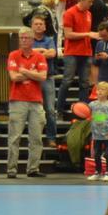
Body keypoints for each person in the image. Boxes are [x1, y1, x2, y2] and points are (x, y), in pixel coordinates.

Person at [6, 29, 48, 180]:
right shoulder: (13, 55)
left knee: (36, 137)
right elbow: (14, 77)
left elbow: (43, 76)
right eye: (21, 38)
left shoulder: (39, 56)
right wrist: (32, 73)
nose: (23, 40)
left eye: (26, 38)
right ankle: (11, 169)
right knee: (14, 137)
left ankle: (33, 168)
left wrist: (23, 71)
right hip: (18, 100)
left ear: (32, 40)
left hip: (36, 101)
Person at [57, 0, 98, 116]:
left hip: (86, 51)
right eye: (89, 1)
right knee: (67, 80)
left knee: (84, 82)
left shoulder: (89, 14)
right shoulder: (69, 13)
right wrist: (87, 34)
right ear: (82, 0)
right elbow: (68, 34)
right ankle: (59, 109)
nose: (91, 4)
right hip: (72, 52)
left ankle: (83, 110)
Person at [31, 16, 59, 146]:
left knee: (50, 109)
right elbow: (26, 54)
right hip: (32, 79)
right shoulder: (28, 40)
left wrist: (35, 53)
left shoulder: (49, 40)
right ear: (32, 26)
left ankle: (51, 137)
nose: (38, 26)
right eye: (36, 24)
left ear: (45, 26)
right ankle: (35, 138)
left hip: (48, 78)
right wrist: (43, 52)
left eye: (40, 24)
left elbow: (52, 54)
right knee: (33, 110)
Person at [86, 81, 108, 182]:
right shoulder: (92, 104)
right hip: (96, 134)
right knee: (96, 154)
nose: (99, 91)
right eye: (98, 89)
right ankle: (98, 172)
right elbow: (85, 113)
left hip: (107, 135)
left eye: (102, 90)